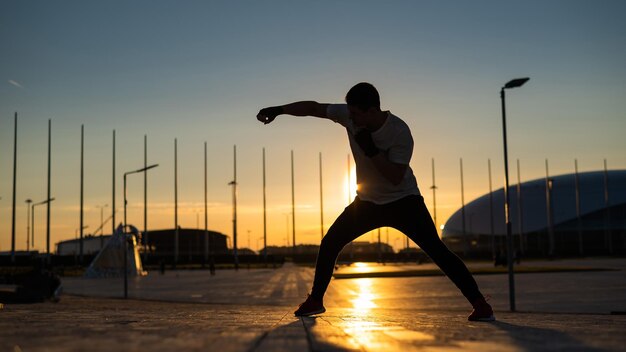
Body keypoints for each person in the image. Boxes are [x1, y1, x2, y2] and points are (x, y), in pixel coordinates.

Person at [256, 82, 495, 322]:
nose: (352, 119)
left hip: (404, 202)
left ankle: (480, 304)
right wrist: (279, 109)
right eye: (350, 113)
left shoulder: (399, 132)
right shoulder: (350, 115)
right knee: (330, 242)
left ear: (372, 111)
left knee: (438, 252)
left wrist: (370, 150)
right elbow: (314, 108)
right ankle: (316, 301)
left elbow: (394, 177)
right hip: (367, 203)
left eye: (357, 114)